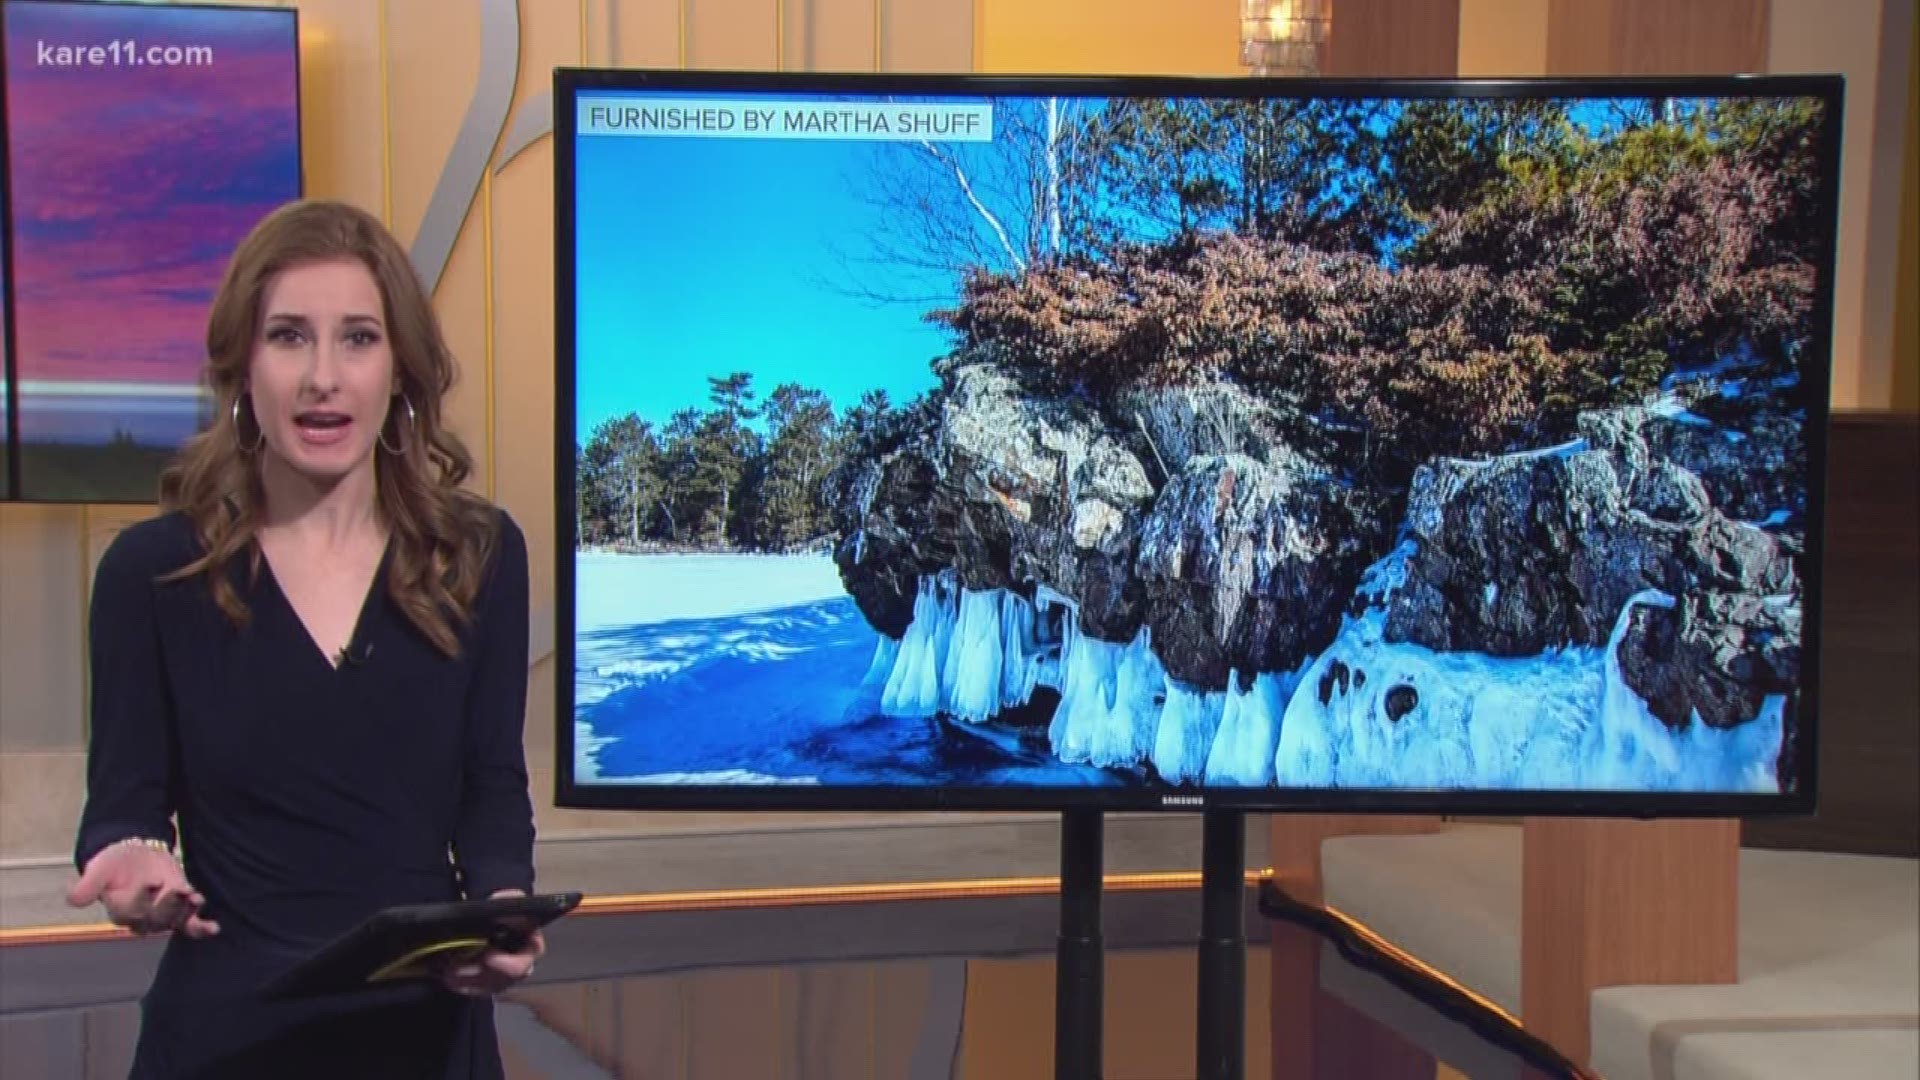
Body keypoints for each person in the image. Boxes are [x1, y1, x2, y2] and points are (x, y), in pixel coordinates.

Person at [65, 198, 543, 1079]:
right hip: (225, 1042)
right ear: (243, 366)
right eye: (289, 336)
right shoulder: (150, 575)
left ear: (400, 368)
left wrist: (505, 907)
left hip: (424, 1043)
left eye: (358, 338)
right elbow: (123, 803)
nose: (324, 375)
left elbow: (490, 788)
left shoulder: (477, 557)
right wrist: (129, 858)